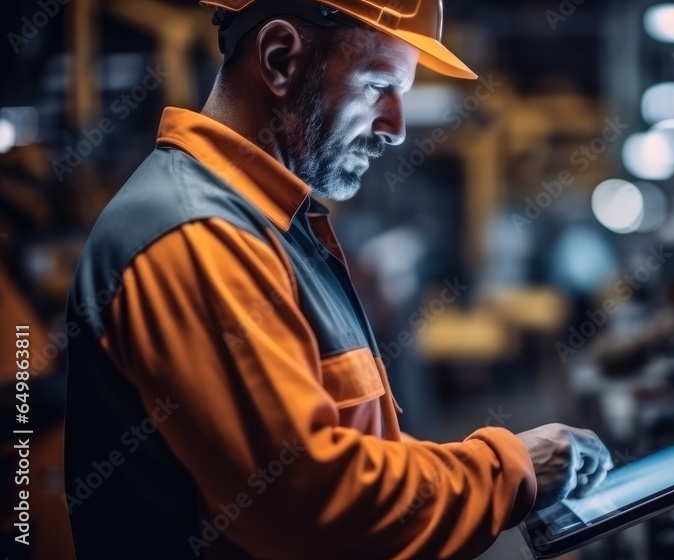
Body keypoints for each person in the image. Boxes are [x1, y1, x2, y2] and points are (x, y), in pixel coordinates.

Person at [63, 1, 613, 558]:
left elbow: (345, 448)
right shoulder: (197, 238)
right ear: (279, 59)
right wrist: (505, 471)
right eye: (378, 86)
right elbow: (307, 504)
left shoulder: (271, 226)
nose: (397, 129)